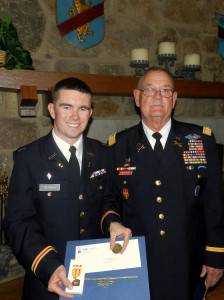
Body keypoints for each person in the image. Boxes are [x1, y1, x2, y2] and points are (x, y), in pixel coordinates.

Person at [106, 67, 224, 300]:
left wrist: (215, 256)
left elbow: (214, 203)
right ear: (137, 97)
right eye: (149, 90)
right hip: (138, 258)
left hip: (187, 260)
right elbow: (110, 200)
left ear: (174, 99)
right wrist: (112, 222)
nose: (157, 97)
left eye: (165, 91)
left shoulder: (201, 140)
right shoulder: (118, 146)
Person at [3, 77, 131, 300]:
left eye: (82, 108)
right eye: (66, 107)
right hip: (48, 278)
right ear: (52, 110)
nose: (75, 116)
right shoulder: (29, 159)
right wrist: (48, 265)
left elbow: (108, 199)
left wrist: (113, 222)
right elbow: (18, 222)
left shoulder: (102, 154)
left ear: (90, 113)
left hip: (95, 274)